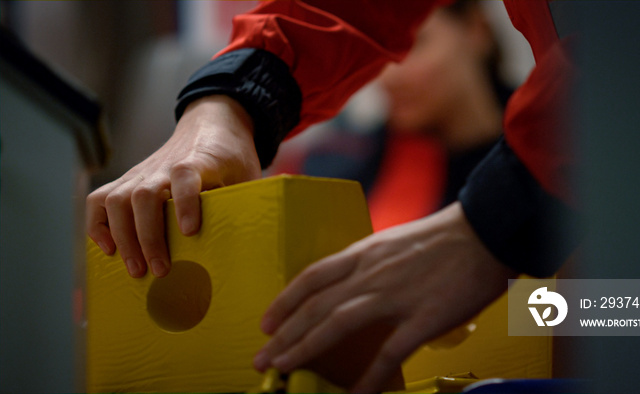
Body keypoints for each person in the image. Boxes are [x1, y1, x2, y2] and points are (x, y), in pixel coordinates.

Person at [86, 1, 578, 392]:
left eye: (421, 47)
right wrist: (227, 102)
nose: (397, 77)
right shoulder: (343, 164)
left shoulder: (536, 174)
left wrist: (497, 224)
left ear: (476, 31)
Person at [274, 0, 513, 232]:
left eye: (413, 45)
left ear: (476, 29)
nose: (389, 77)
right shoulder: (335, 169)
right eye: (383, 53)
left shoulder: (542, 153)